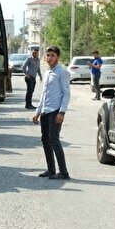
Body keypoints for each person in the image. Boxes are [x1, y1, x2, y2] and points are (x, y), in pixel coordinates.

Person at [32, 46, 71, 179]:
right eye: (48, 55)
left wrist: (62, 112)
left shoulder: (62, 72)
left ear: (58, 57)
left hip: (55, 111)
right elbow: (44, 94)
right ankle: (51, 170)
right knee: (45, 140)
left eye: (52, 55)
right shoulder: (47, 72)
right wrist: (38, 111)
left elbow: (66, 94)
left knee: (54, 140)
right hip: (45, 111)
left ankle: (63, 172)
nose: (49, 58)